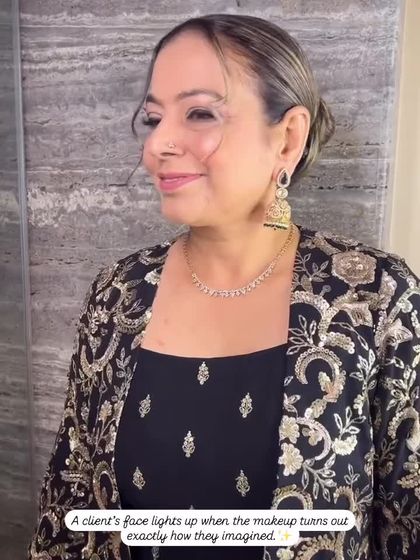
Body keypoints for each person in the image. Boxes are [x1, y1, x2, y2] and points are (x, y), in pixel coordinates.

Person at [28, 13, 420, 560]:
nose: (157, 145)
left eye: (200, 113)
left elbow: (406, 520)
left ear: (287, 139)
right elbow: (69, 510)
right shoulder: (119, 295)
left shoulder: (372, 298)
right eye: (153, 118)